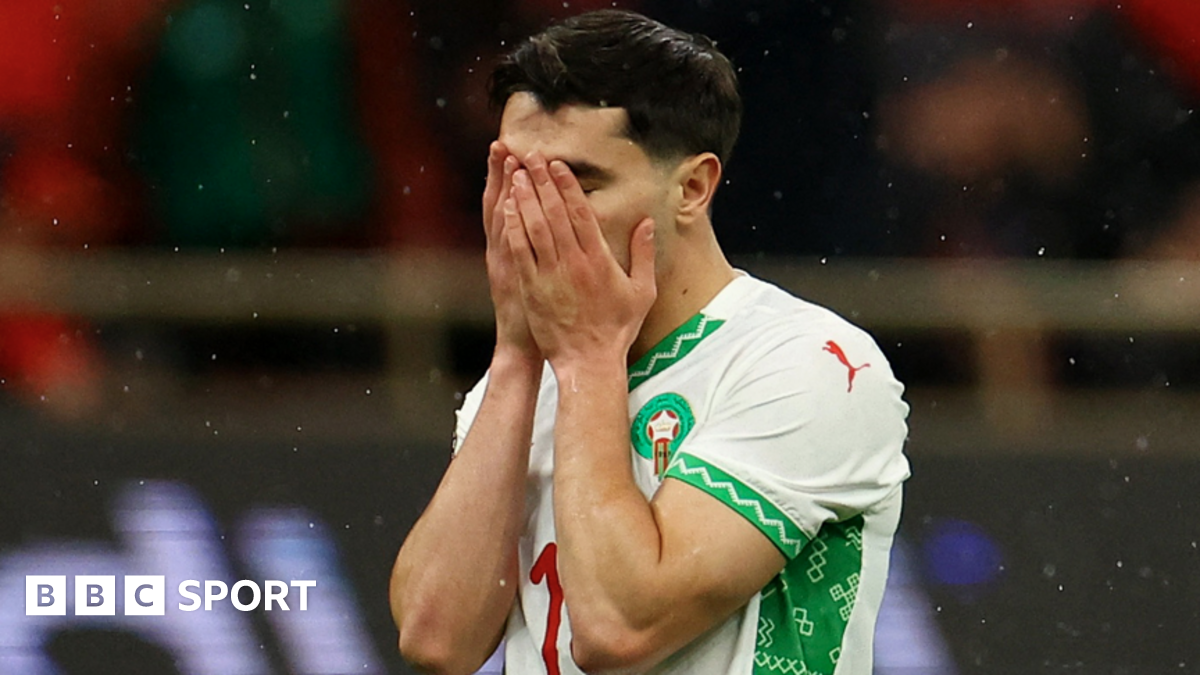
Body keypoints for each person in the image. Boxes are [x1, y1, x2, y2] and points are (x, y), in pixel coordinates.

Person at [389, 9, 910, 675]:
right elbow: (437, 638)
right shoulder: (525, 378)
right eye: (516, 180)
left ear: (692, 187)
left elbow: (618, 627)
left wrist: (584, 362)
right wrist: (517, 356)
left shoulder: (812, 363)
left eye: (576, 183)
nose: (536, 215)